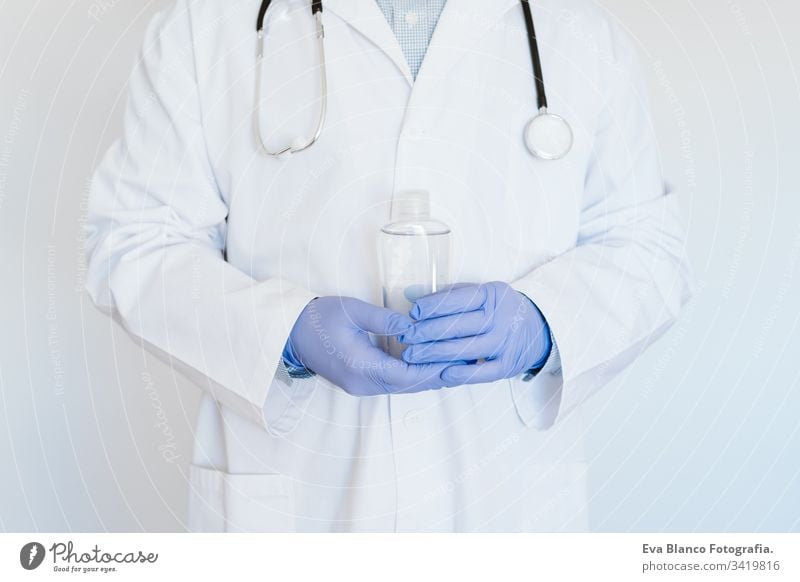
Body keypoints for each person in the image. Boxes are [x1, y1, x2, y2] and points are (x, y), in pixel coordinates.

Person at [85, 0, 692, 532]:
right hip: (297, 502)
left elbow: (648, 249)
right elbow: (134, 241)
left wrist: (541, 322)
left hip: (503, 500)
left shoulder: (580, 34)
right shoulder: (208, 25)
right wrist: (284, 335)